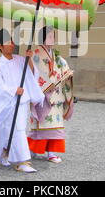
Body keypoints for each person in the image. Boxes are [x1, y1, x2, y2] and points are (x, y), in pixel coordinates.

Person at [0, 28, 44, 173]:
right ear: (0, 47)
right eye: (8, 42)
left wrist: (29, 59)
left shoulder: (20, 60)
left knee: (19, 129)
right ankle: (19, 160)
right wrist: (14, 90)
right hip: (8, 103)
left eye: (12, 41)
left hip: (21, 102)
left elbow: (31, 75)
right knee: (10, 130)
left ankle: (14, 156)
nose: (12, 44)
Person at [27, 26, 74, 164]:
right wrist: (48, 84)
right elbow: (34, 72)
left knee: (55, 126)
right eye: (49, 36)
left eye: (53, 36)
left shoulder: (56, 56)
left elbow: (63, 67)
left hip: (56, 95)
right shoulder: (35, 54)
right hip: (43, 94)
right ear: (42, 38)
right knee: (40, 125)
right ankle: (31, 149)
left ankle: (51, 153)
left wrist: (67, 74)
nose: (52, 39)